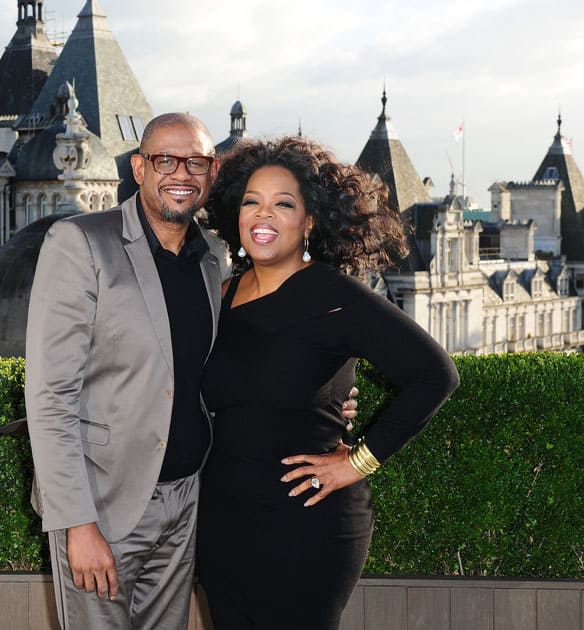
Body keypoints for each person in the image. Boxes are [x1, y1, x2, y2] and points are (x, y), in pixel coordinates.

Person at [197, 136, 460, 629]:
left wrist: (357, 462)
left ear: (310, 221)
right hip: (224, 522)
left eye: (283, 204)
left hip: (306, 523)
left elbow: (435, 374)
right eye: (252, 202)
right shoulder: (223, 293)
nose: (263, 215)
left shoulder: (333, 294)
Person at [25, 113, 226, 629]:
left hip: (184, 499)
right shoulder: (80, 242)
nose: (181, 172)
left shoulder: (212, 260)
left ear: (212, 171)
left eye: (196, 161)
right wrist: (76, 523)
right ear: (139, 168)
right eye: (165, 160)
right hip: (104, 504)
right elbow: (50, 396)